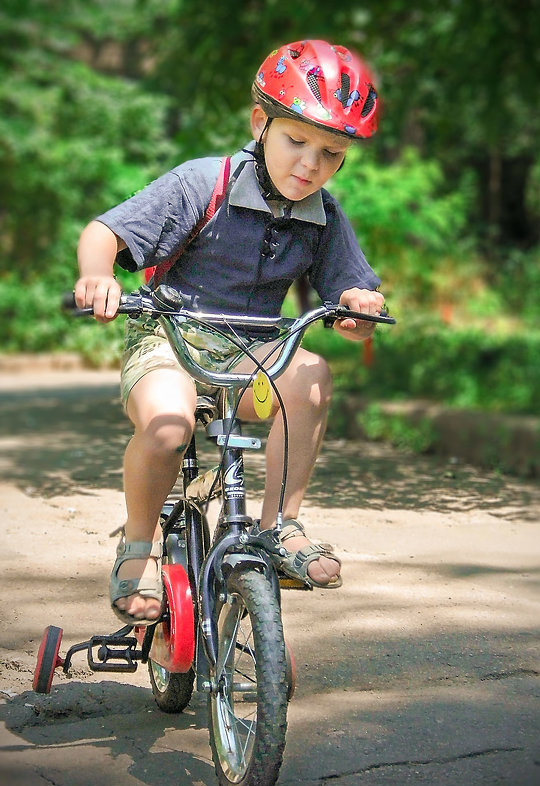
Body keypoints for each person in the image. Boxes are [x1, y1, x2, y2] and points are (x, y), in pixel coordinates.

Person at [75, 39, 385, 626]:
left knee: (314, 372)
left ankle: (277, 528)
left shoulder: (325, 214)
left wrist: (357, 310)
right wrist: (97, 276)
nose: (310, 165)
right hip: (170, 336)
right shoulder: (203, 182)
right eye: (295, 141)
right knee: (168, 428)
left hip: (253, 349)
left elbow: (351, 296)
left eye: (331, 152)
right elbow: (104, 231)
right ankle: (137, 550)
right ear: (260, 123)